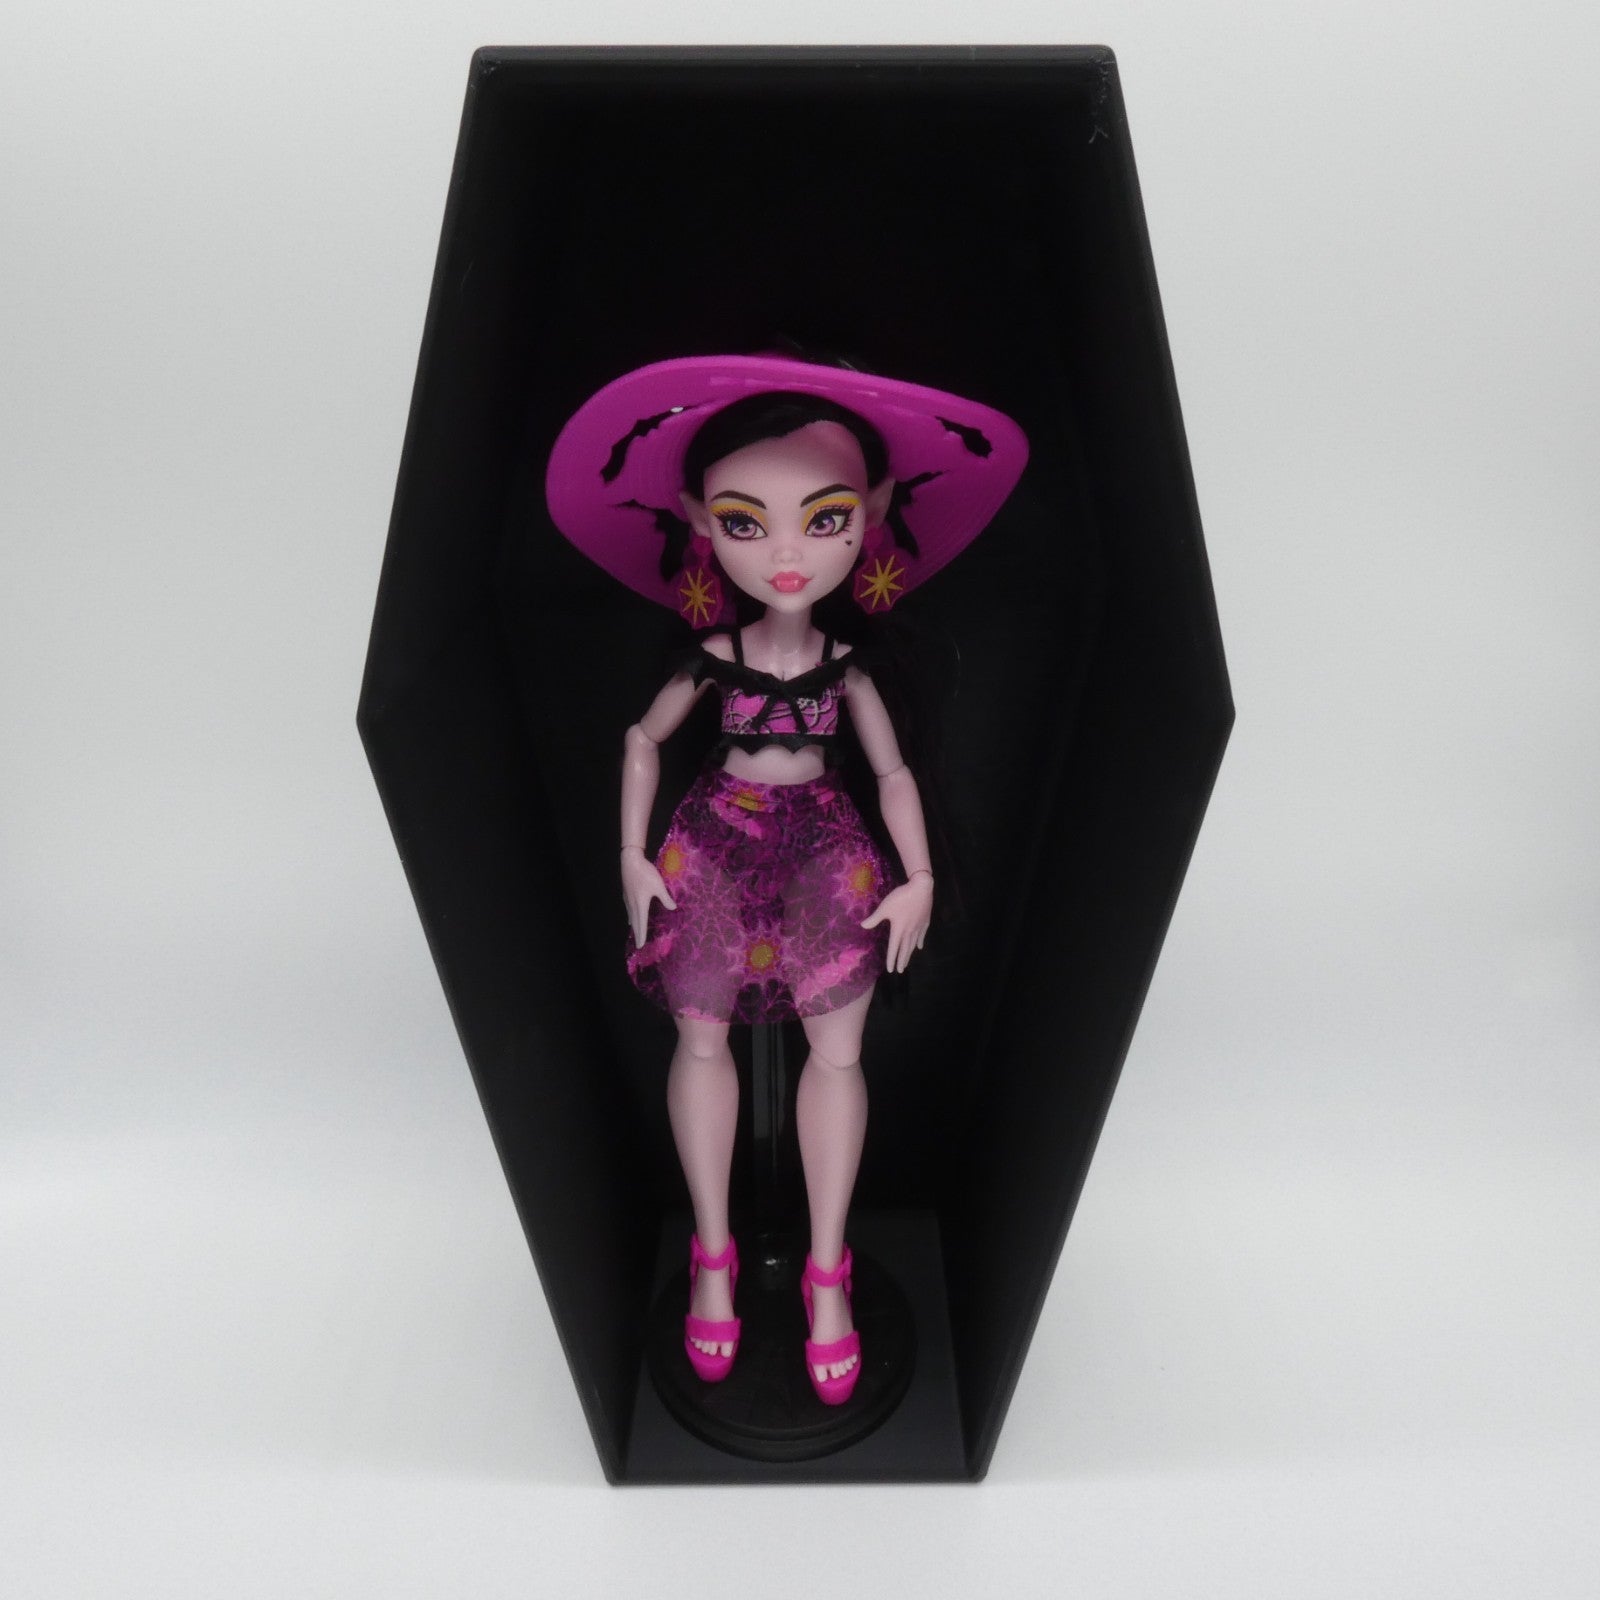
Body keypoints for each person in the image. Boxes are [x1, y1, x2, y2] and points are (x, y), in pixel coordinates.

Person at [545, 353, 1026, 1404]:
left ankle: (827, 1270)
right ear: (699, 523)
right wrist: (630, 853)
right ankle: (713, 1258)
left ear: (873, 516)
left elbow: (893, 773)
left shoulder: (846, 669)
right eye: (745, 522)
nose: (789, 554)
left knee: (837, 1053)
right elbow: (641, 739)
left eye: (825, 518)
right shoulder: (714, 654)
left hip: (824, 851)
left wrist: (920, 876)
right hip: (715, 845)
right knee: (701, 1036)